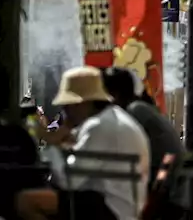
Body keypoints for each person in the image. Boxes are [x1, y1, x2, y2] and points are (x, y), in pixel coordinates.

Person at [15, 67, 150, 220]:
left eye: (68, 105)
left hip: (110, 209)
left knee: (26, 201)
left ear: (82, 103)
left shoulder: (99, 126)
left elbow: (67, 181)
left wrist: (51, 144)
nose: (66, 111)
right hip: (117, 205)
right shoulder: (110, 119)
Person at [102, 67, 183, 184]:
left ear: (115, 94)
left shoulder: (136, 111)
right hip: (170, 182)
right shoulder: (141, 108)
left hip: (162, 187)